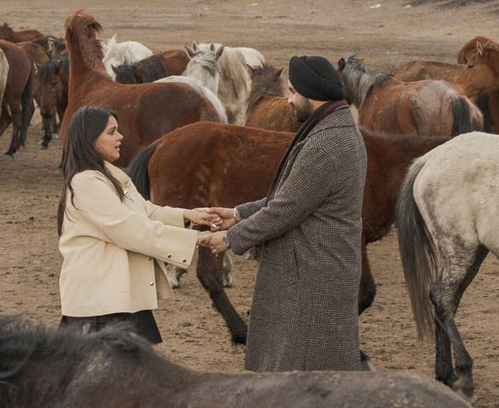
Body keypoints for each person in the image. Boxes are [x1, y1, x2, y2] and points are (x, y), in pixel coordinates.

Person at [220, 55, 367, 371]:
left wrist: (229, 238)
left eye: (291, 92)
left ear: (310, 94)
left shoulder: (326, 144)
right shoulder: (335, 130)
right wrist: (238, 213)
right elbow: (293, 197)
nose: (287, 100)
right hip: (318, 266)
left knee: (308, 374)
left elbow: (285, 210)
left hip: (315, 273)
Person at [55, 104, 229, 343]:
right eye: (111, 132)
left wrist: (189, 215)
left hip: (117, 296)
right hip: (99, 305)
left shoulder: (109, 175)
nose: (120, 137)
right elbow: (132, 229)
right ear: (90, 138)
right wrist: (196, 239)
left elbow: (145, 211)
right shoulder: (87, 183)